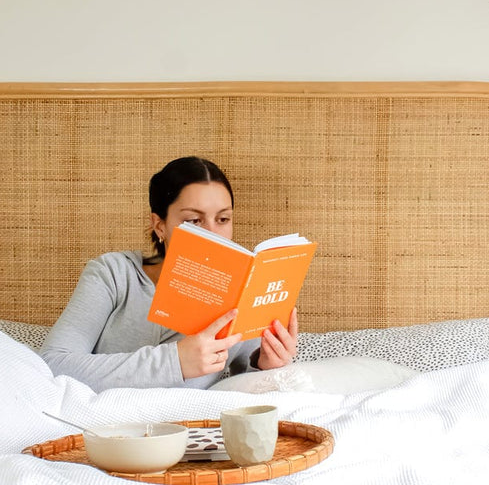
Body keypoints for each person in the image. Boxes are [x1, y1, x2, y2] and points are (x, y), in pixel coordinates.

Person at [40, 156, 299, 392]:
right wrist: (175, 362)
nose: (213, 234)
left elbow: (245, 391)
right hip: (103, 422)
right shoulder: (114, 274)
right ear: (160, 225)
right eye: (194, 221)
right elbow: (53, 364)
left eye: (222, 219)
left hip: (190, 425)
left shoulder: (240, 294)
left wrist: (267, 365)